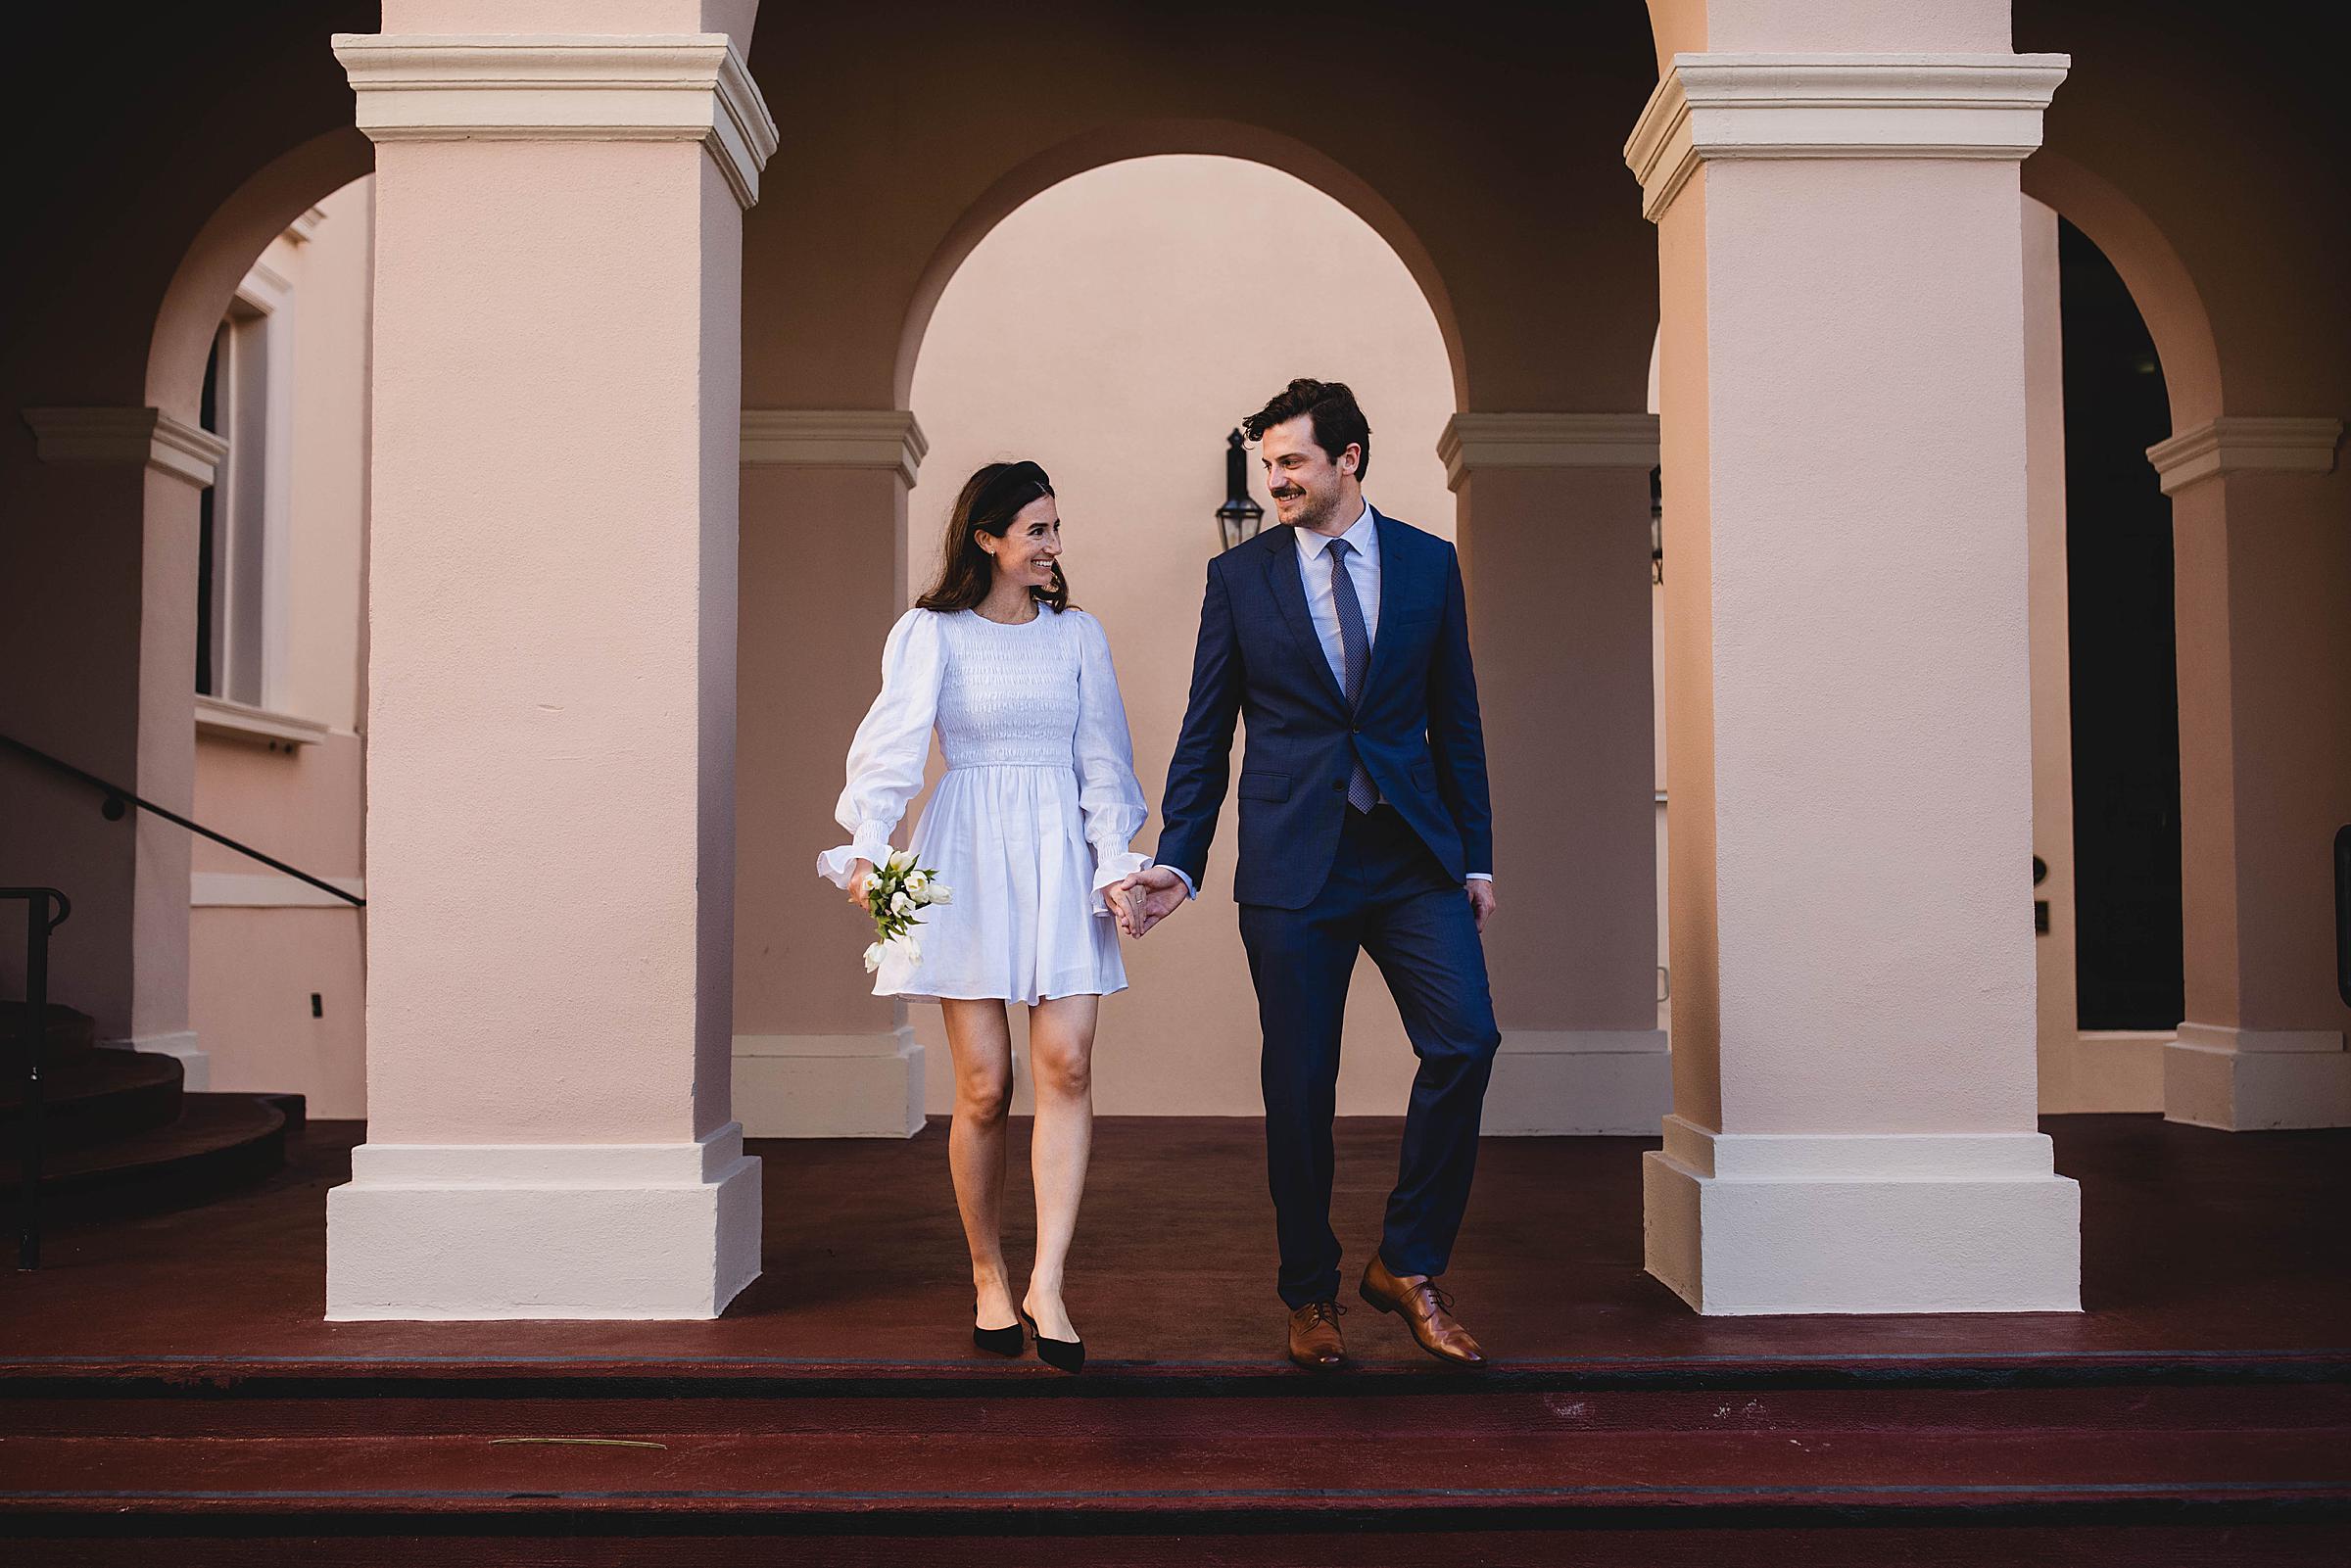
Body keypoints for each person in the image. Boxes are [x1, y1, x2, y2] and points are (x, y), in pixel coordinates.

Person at [1110, 379, 1501, 1372]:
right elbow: (1207, 735)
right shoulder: (1241, 581)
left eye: (1293, 462)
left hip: (1412, 854)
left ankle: (1407, 1263)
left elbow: (1456, 718)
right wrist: (1178, 858)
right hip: (1294, 865)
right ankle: (1309, 1291)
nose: (1276, 479)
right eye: (1269, 465)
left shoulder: (1426, 563)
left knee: (1466, 1039)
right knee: (1299, 1085)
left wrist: (1477, 853)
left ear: (1350, 459)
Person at [819, 460, 1150, 1374]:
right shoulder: (932, 633)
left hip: (1058, 856)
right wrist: (867, 848)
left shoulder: (1078, 636)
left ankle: (1049, 1280)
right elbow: (889, 747)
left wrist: (1116, 862)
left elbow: (1104, 760)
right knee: (985, 1088)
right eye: (1036, 529)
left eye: (1055, 528)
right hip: (965, 854)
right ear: (988, 538)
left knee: (1068, 1063)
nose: (1052, 546)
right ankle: (988, 1271)